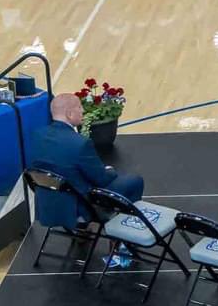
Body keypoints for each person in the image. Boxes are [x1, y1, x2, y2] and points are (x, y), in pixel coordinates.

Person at [28, 92, 145, 230]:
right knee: (135, 181)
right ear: (70, 114)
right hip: (79, 205)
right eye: (79, 107)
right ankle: (125, 233)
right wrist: (110, 171)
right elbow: (101, 179)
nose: (83, 110)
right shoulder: (80, 144)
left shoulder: (37, 136)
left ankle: (82, 232)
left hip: (48, 201)